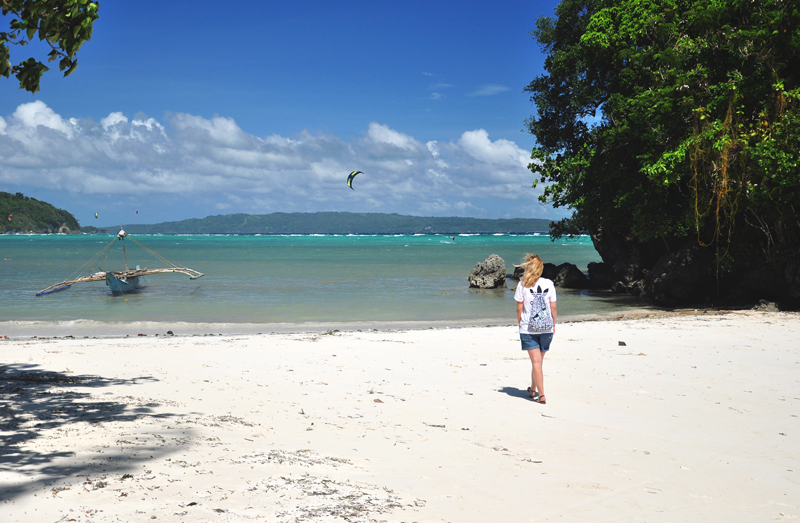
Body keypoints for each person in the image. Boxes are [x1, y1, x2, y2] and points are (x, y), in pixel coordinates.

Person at [514, 254, 557, 404]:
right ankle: (532, 390)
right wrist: (554, 324)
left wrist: (520, 325)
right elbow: (553, 307)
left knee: (536, 362)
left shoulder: (523, 285)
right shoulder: (549, 284)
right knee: (538, 362)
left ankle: (542, 395)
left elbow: (519, 309)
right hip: (546, 327)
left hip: (528, 328)